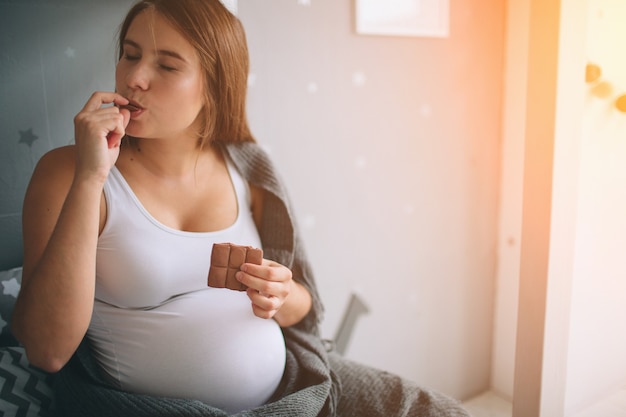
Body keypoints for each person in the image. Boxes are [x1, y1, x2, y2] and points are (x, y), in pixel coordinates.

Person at [11, 0, 472, 416]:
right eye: (130, 54)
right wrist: (92, 177)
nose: (135, 77)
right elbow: (45, 349)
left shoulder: (249, 167)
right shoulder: (69, 172)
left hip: (292, 393)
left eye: (167, 66)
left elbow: (302, 307)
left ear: (213, 86)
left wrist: (279, 293)